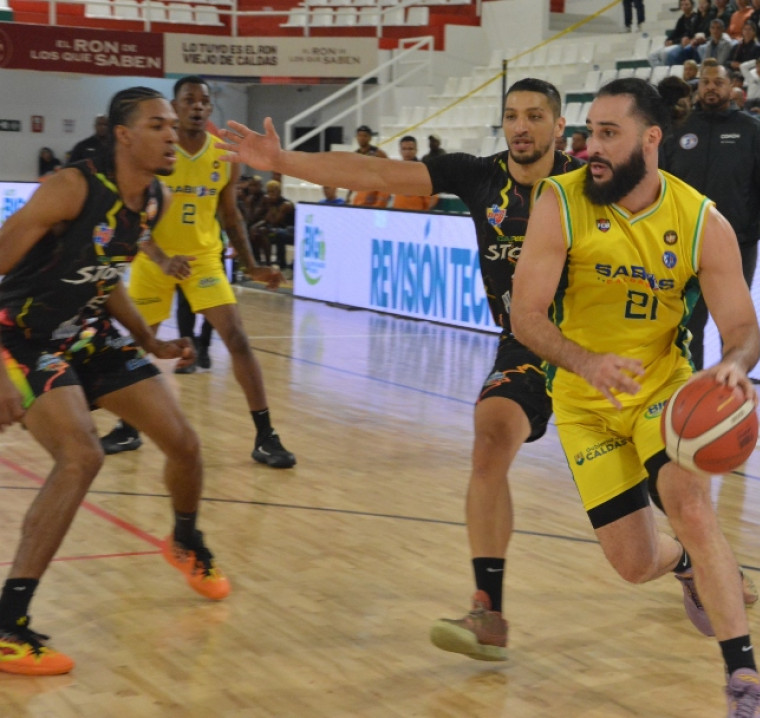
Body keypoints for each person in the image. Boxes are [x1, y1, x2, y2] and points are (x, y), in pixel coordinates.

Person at [214, 77, 588, 662]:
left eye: (536, 115)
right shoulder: (477, 174)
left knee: (647, 516)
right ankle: (488, 612)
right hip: (527, 344)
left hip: (599, 342)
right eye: (513, 114)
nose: (522, 125)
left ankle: (693, 562)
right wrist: (284, 160)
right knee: (489, 439)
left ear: (560, 126)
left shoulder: (591, 185)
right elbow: (376, 176)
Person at [510, 77, 760, 718]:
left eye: (608, 134)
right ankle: (684, 562)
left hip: (663, 389)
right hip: (581, 398)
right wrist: (585, 361)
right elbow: (526, 315)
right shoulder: (560, 201)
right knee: (631, 565)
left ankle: (745, 681)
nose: (590, 147)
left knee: (688, 501)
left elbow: (743, 331)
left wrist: (734, 367)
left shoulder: (700, 220)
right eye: (589, 133)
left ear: (650, 139)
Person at [0, 86, 230, 677]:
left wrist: (150, 342)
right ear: (123, 135)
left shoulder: (150, 198)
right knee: (80, 458)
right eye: (159, 125)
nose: (173, 134)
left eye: (174, 127)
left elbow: (106, 274)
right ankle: (8, 626)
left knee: (183, 441)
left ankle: (185, 540)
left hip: (91, 334)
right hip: (22, 336)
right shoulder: (70, 188)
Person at [99, 76, 296, 469]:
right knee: (140, 344)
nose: (198, 107)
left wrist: (252, 266)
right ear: (174, 106)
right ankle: (127, 427)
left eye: (204, 101)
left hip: (203, 259)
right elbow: (131, 220)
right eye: (189, 100)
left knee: (237, 338)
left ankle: (265, 435)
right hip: (153, 258)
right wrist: (160, 259)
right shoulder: (154, 154)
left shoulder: (222, 154)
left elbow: (230, 214)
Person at [662, 59, 760, 370]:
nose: (711, 88)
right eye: (705, 82)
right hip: (682, 245)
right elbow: (658, 182)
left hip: (737, 245)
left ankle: (729, 394)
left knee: (732, 326)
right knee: (687, 325)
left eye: (718, 82)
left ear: (732, 87)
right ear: (697, 87)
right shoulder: (678, 129)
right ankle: (688, 391)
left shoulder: (752, 131)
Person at [250, 179, 295, 269]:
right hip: (277, 229)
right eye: (269, 192)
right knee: (255, 230)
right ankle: (258, 260)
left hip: (290, 231)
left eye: (273, 192)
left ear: (279, 192)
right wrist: (254, 227)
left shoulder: (285, 205)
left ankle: (272, 264)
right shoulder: (270, 202)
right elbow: (261, 219)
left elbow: (274, 221)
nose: (270, 195)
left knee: (266, 232)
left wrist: (269, 206)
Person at [391, 136, 438, 211]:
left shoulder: (424, 171)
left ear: (416, 150)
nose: (407, 152)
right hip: (398, 213)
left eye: (410, 149)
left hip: (416, 215)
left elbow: (432, 198)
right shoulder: (397, 169)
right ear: (400, 151)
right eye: (404, 149)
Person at [348, 125, 391, 207]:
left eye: (365, 136)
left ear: (370, 138)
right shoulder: (355, 155)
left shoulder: (378, 154)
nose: (362, 138)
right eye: (359, 135)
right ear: (356, 137)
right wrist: (349, 195)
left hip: (375, 191)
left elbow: (388, 171)